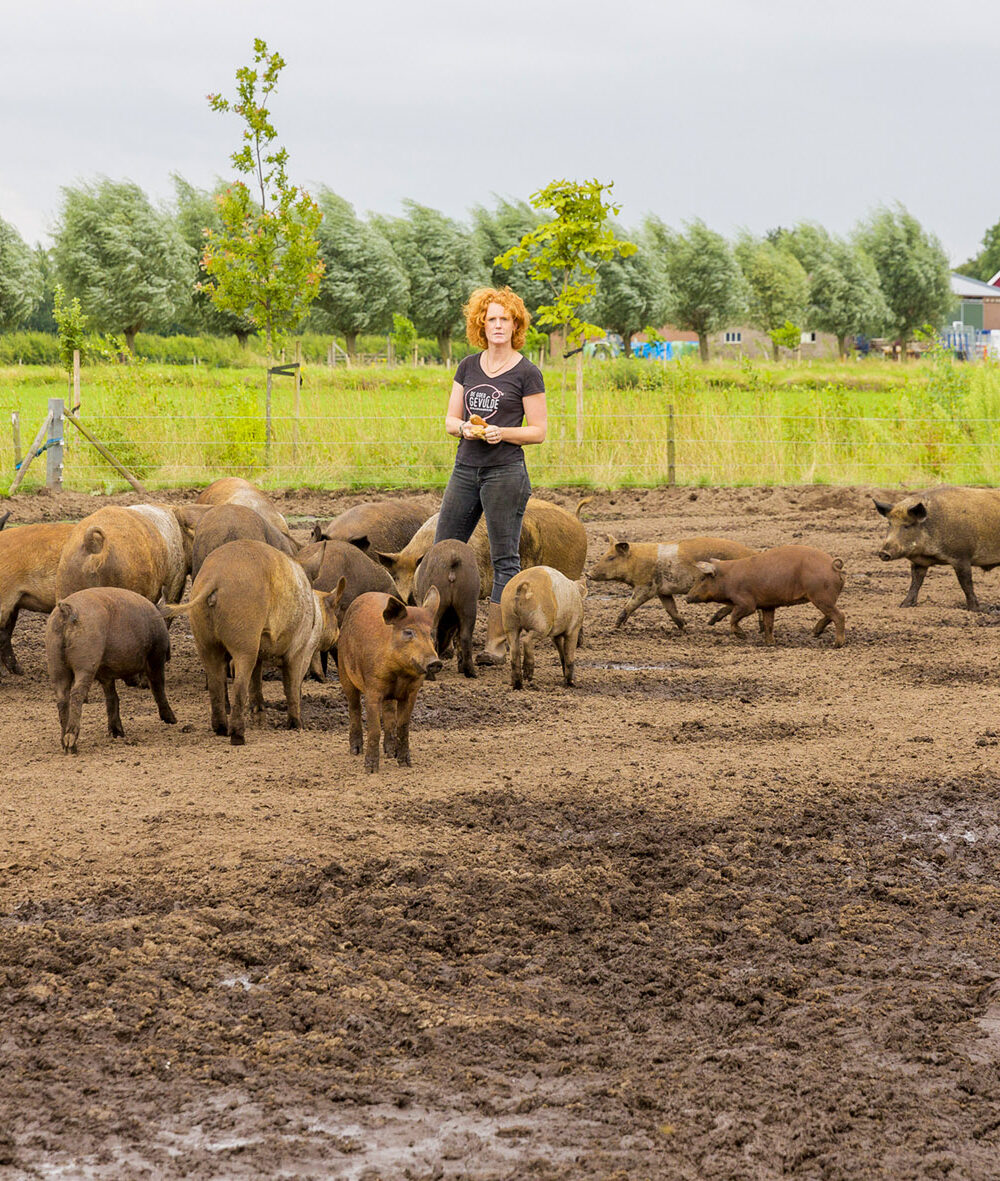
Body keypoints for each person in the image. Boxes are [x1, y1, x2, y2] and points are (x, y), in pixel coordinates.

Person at [436, 287, 547, 664]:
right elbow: (450, 419)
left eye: (505, 319)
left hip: (505, 472)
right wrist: (464, 428)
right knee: (444, 552)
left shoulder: (527, 372)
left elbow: (538, 431)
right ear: (480, 324)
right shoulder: (468, 366)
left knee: (505, 558)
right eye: (491, 319)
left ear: (516, 324)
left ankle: (496, 645)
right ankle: (441, 639)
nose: (498, 325)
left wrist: (506, 433)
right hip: (466, 467)